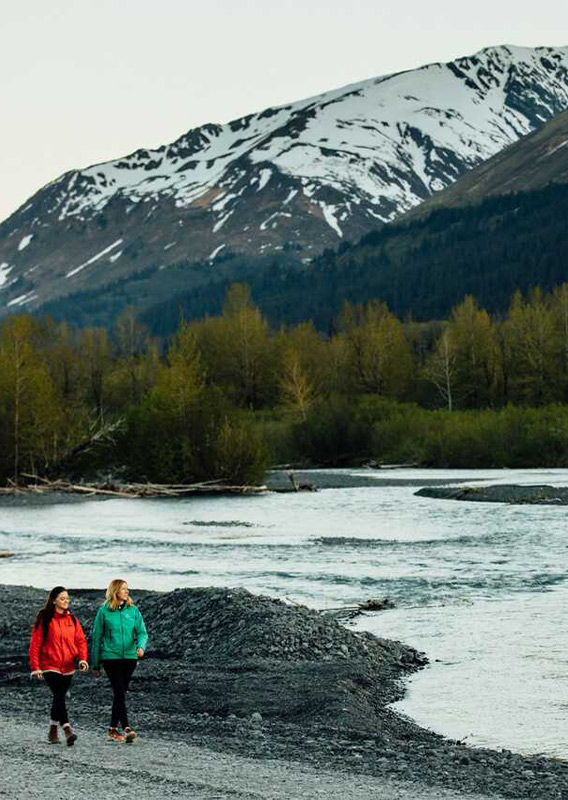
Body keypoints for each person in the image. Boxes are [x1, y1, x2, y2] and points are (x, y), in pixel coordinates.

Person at [29, 586, 88, 746]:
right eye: (62, 599)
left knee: (59, 697)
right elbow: (35, 645)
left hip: (68, 666)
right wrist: (36, 667)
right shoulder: (45, 619)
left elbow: (81, 641)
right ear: (54, 600)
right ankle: (67, 729)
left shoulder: (73, 620)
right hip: (49, 665)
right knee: (59, 695)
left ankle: (52, 730)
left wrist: (82, 659)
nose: (66, 601)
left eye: (67, 598)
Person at [90, 579, 148, 743]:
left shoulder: (133, 611)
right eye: (123, 589)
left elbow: (142, 633)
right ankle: (127, 727)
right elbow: (96, 637)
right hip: (111, 657)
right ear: (115, 591)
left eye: (127, 589)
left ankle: (112, 728)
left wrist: (141, 647)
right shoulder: (104, 611)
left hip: (130, 658)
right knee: (119, 691)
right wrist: (95, 664)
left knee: (120, 693)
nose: (127, 592)